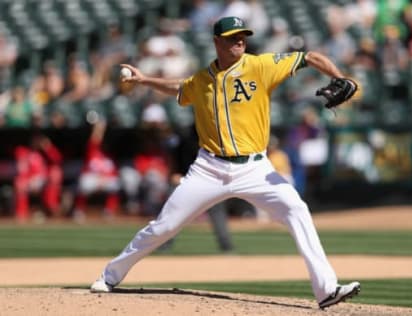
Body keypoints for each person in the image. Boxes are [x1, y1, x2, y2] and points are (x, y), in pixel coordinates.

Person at [90, 16, 360, 309]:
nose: (239, 41)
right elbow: (180, 89)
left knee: (296, 210)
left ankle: (327, 290)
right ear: (217, 42)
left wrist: (338, 77)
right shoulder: (202, 79)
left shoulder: (261, 65)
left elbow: (310, 57)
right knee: (163, 228)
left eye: (242, 36)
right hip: (209, 168)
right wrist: (143, 80)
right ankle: (110, 275)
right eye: (232, 37)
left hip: (255, 168)